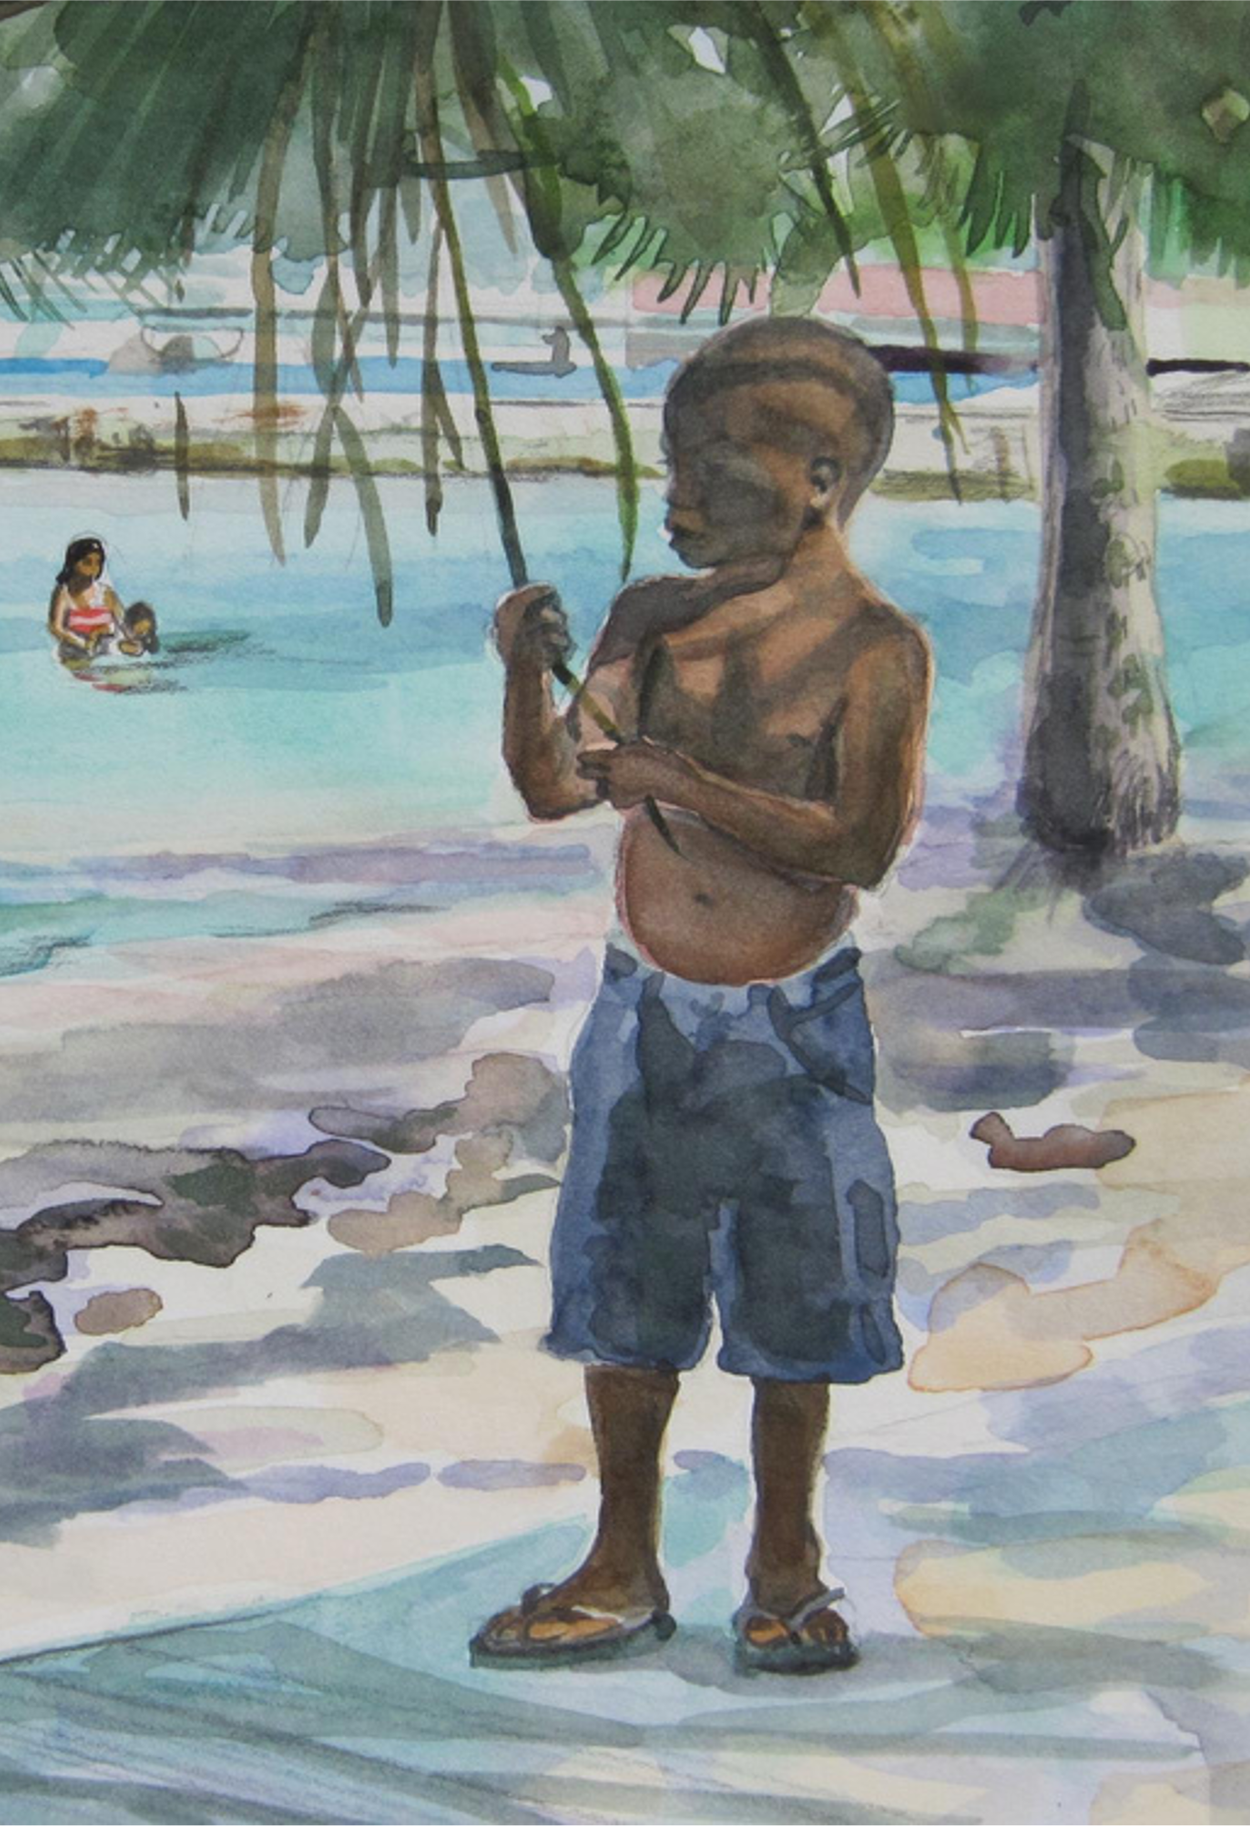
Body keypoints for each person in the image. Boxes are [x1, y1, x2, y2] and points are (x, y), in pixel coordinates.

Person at [475, 317, 930, 1676]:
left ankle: (784, 1567)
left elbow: (858, 844)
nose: (672, 496)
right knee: (626, 1292)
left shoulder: (874, 647)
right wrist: (518, 675)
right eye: (672, 464)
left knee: (798, 1303)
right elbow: (559, 784)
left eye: (708, 467)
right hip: (648, 1009)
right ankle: (623, 1564)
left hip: (794, 1021)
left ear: (819, 476)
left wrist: (679, 783)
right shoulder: (650, 622)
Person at [48, 537, 124, 658]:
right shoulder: (63, 593)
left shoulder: (106, 593)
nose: (94, 567)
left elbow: (122, 624)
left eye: (98, 562)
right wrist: (81, 643)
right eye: (87, 562)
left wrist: (99, 631)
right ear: (73, 563)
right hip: (74, 653)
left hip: (107, 653)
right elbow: (56, 628)